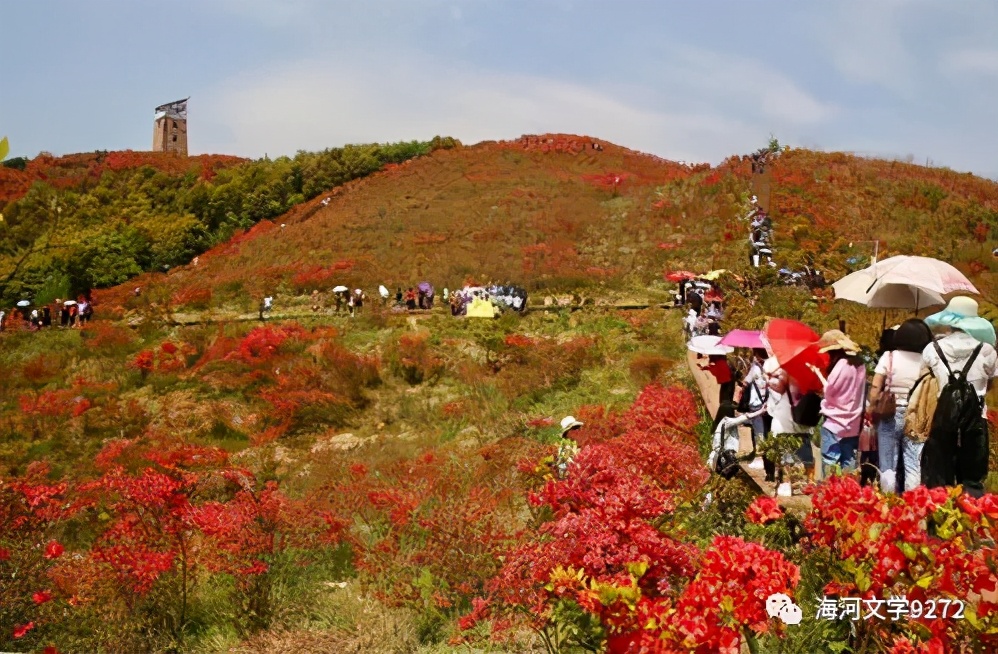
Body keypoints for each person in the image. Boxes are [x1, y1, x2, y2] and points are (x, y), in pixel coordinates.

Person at [920, 297, 997, 496]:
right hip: (976, 418)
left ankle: (940, 520)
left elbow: (926, 382)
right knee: (973, 478)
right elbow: (990, 384)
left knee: (940, 477)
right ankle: (971, 521)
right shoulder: (987, 350)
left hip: (942, 416)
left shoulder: (932, 349)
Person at [869, 319, 933, 493]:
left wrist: (871, 407)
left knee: (888, 461)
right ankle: (913, 503)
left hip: (890, 413)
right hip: (917, 414)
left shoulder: (889, 356)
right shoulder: (927, 360)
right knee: (913, 462)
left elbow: (875, 387)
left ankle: (888, 502)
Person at [814, 330, 866, 476]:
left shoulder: (840, 365)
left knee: (830, 461)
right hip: (854, 421)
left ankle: (830, 493)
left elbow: (830, 391)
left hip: (834, 422)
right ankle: (849, 494)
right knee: (849, 462)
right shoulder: (860, 364)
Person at [764, 357, 815, 484]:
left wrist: (768, 378)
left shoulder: (787, 370)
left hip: (787, 416)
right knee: (806, 451)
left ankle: (787, 484)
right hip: (805, 416)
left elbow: (779, 388)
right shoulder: (812, 370)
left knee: (786, 453)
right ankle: (811, 482)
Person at [708, 401, 762, 477]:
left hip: (723, 435)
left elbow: (728, 423)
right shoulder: (728, 422)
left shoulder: (719, 442)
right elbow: (745, 417)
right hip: (724, 449)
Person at [740, 348, 771, 472]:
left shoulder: (756, 368)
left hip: (757, 403)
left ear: (758, 354)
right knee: (767, 432)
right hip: (769, 403)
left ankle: (760, 460)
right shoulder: (772, 366)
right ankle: (768, 459)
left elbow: (746, 381)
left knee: (759, 433)